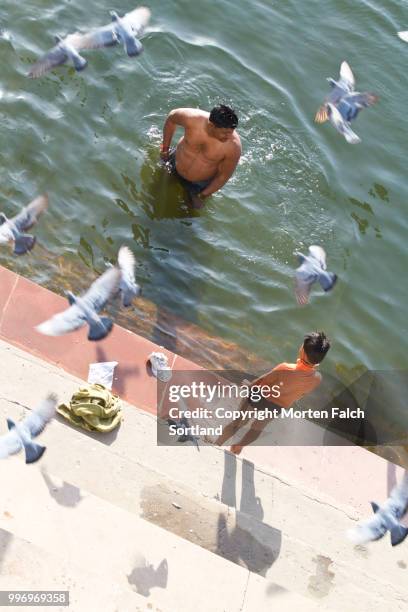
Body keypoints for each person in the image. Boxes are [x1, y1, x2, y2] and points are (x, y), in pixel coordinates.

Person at [215, 331, 331, 454]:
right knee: (257, 428)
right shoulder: (317, 378)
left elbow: (261, 381)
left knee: (238, 422)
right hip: (277, 407)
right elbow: (301, 394)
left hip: (259, 398)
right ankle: (239, 446)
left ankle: (217, 443)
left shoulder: (285, 368)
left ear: (302, 351)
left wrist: (249, 387)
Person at [160, 104, 241, 208]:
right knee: (157, 197)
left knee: (188, 216)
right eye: (225, 133)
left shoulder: (233, 146)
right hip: (173, 164)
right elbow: (171, 118)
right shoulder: (192, 119)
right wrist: (165, 150)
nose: (229, 136)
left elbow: (223, 177)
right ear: (212, 125)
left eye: (231, 132)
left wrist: (202, 195)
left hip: (198, 185)